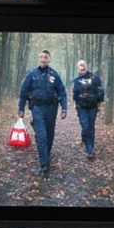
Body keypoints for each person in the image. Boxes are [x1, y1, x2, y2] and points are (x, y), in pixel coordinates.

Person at [18, 49, 68, 177]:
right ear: (39, 59)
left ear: (49, 59)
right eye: (41, 57)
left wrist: (64, 108)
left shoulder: (54, 75)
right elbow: (23, 92)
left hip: (51, 108)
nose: (43, 59)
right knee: (41, 136)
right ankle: (44, 165)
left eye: (46, 57)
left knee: (49, 135)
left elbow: (62, 92)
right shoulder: (32, 74)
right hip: (37, 108)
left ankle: (46, 154)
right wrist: (21, 109)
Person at [72, 59, 106, 161]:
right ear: (78, 67)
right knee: (85, 126)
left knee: (90, 127)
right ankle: (88, 147)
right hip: (81, 107)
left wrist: (98, 100)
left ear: (86, 65)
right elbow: (75, 95)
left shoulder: (94, 78)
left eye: (83, 65)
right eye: (80, 65)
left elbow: (101, 91)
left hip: (92, 106)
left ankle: (90, 149)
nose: (82, 67)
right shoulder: (77, 80)